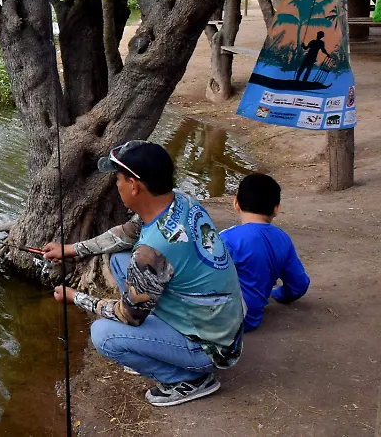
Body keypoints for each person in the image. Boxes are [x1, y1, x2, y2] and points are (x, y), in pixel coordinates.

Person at [44, 140, 244, 407]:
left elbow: (129, 316)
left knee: (105, 335)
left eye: (118, 179)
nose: (117, 185)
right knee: (119, 261)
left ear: (134, 186)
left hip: (213, 349)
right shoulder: (180, 202)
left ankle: (188, 380)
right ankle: (161, 348)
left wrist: (75, 297)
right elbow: (127, 233)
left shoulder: (152, 251)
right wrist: (71, 249)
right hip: (223, 320)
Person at [220, 173, 309, 331]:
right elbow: (299, 284)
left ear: (236, 203)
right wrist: (277, 294)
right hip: (252, 318)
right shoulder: (283, 239)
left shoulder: (227, 239)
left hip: (222, 320)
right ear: (276, 209)